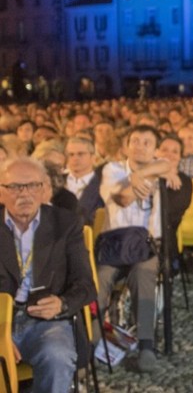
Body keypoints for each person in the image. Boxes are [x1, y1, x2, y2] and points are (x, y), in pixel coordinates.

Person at [96, 125, 192, 373]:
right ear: (126, 145)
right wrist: (141, 176)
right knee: (100, 281)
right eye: (135, 141)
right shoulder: (112, 169)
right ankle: (91, 340)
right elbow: (123, 198)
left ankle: (146, 345)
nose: (139, 145)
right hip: (115, 245)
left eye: (147, 142)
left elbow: (165, 164)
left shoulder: (161, 167)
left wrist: (145, 173)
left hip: (147, 246)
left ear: (154, 148)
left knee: (144, 274)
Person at [0, 156, 96, 392]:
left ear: (44, 189)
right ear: (1, 192)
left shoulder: (66, 223)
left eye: (33, 185)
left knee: (57, 356)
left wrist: (62, 304)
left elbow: (85, 284)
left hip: (46, 320)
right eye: (14, 187)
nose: (25, 194)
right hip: (1, 319)